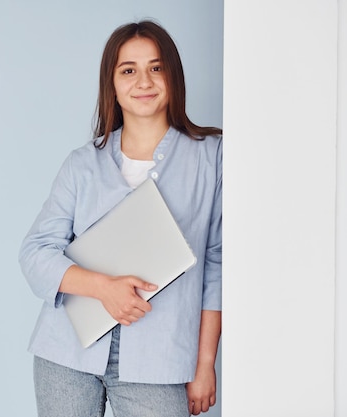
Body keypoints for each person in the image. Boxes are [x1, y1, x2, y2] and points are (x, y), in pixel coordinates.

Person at [18, 20, 222, 417]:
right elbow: (35, 253)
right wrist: (102, 287)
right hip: (66, 354)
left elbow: (217, 265)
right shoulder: (82, 163)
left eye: (156, 67)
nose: (143, 80)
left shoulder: (211, 157)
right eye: (128, 70)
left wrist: (204, 366)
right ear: (112, 84)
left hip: (160, 359)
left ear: (173, 76)